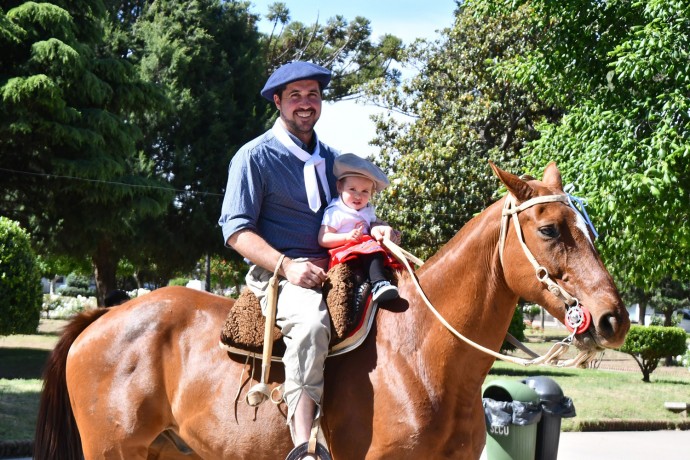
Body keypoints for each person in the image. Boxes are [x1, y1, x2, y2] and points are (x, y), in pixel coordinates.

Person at [218, 61, 400, 457]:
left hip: (339, 263)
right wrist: (288, 266)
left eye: (312, 95)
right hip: (282, 272)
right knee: (312, 324)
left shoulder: (335, 160)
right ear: (278, 102)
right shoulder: (253, 157)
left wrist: (380, 227)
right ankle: (304, 444)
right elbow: (235, 231)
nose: (305, 103)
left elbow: (356, 209)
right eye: (295, 96)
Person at [318, 153, 399, 303]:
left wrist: (389, 231)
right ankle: (378, 284)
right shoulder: (336, 211)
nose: (358, 196)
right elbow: (323, 238)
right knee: (370, 250)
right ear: (339, 187)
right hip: (344, 251)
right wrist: (347, 237)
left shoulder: (367, 209)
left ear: (371, 194)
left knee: (390, 256)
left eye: (364, 191)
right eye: (352, 189)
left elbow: (375, 223)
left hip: (366, 248)